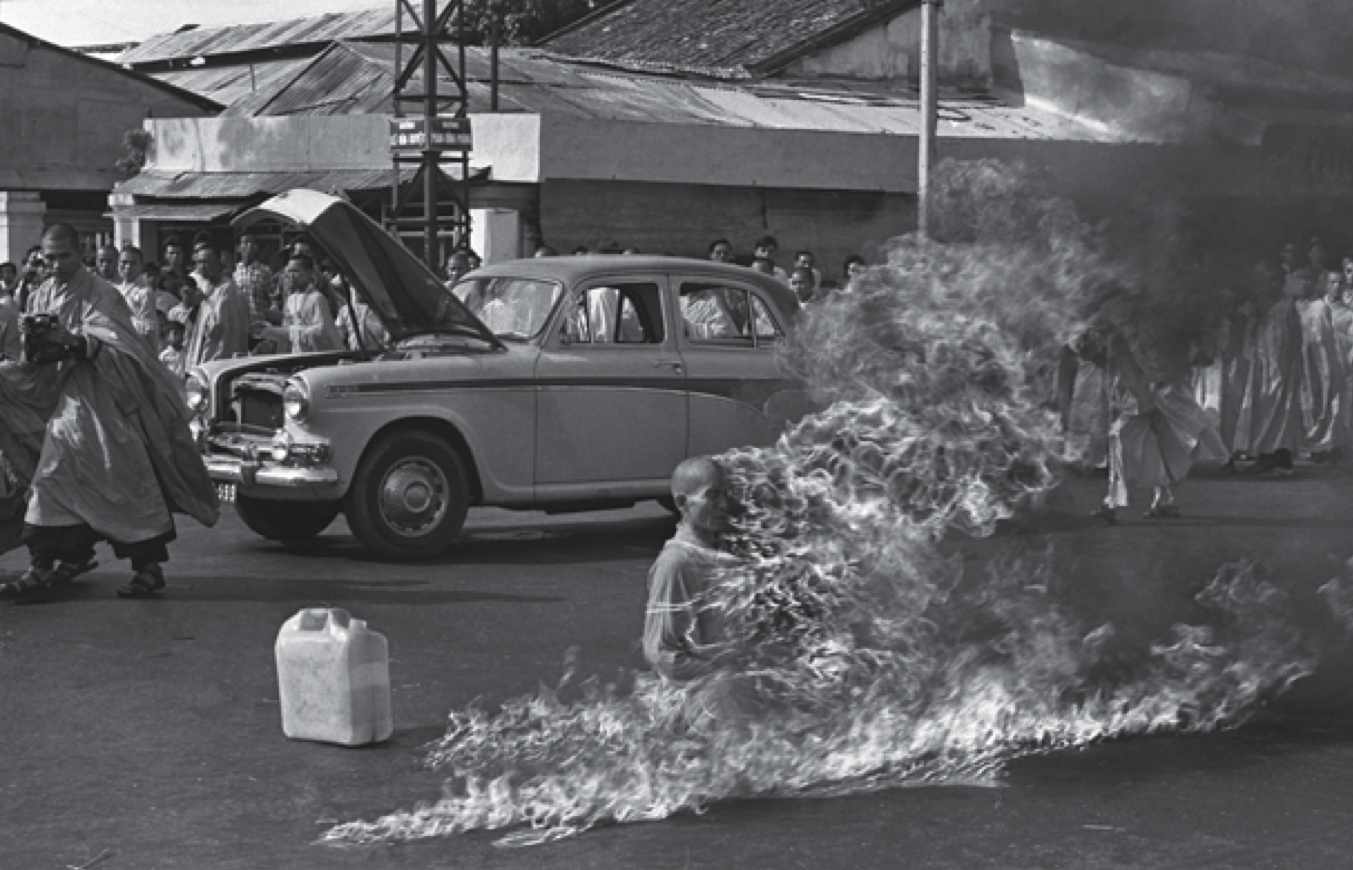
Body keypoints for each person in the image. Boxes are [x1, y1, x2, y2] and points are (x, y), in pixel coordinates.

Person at [0, 224, 219, 599]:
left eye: (63, 257)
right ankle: (56, 561)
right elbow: (32, 354)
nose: (54, 265)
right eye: (48, 258)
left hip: (102, 399)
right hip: (64, 401)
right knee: (56, 479)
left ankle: (144, 567)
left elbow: (122, 346)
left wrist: (73, 342)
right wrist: (30, 350)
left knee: (118, 482)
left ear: (80, 255)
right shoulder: (41, 293)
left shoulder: (103, 294)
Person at [644, 457, 739, 682]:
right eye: (713, 496)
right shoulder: (679, 562)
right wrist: (725, 678)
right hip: (707, 702)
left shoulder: (723, 547)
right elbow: (661, 653)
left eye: (727, 494)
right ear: (682, 503)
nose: (724, 505)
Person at [251, 253, 342, 354]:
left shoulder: (317, 299)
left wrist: (291, 332)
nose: (291, 276)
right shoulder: (290, 299)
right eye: (289, 271)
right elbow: (285, 332)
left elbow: (321, 333)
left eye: (295, 271)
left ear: (309, 273)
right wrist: (269, 331)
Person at [182, 243, 250, 367]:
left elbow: (219, 328)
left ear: (219, 263)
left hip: (220, 359)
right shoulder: (206, 288)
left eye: (207, 262)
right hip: (202, 357)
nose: (202, 267)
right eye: (199, 262)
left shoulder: (228, 291)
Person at [115, 245, 159, 351]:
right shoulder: (116, 289)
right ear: (118, 264)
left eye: (133, 263)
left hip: (136, 346)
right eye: (124, 262)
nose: (128, 267)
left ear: (141, 266)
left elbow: (149, 328)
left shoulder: (144, 292)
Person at [234, 230, 277, 323]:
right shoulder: (234, 271)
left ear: (256, 248)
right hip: (238, 322)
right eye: (245, 242)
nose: (249, 246)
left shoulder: (265, 271)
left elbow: (273, 297)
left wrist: (271, 312)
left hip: (259, 322)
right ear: (238, 248)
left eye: (252, 243)